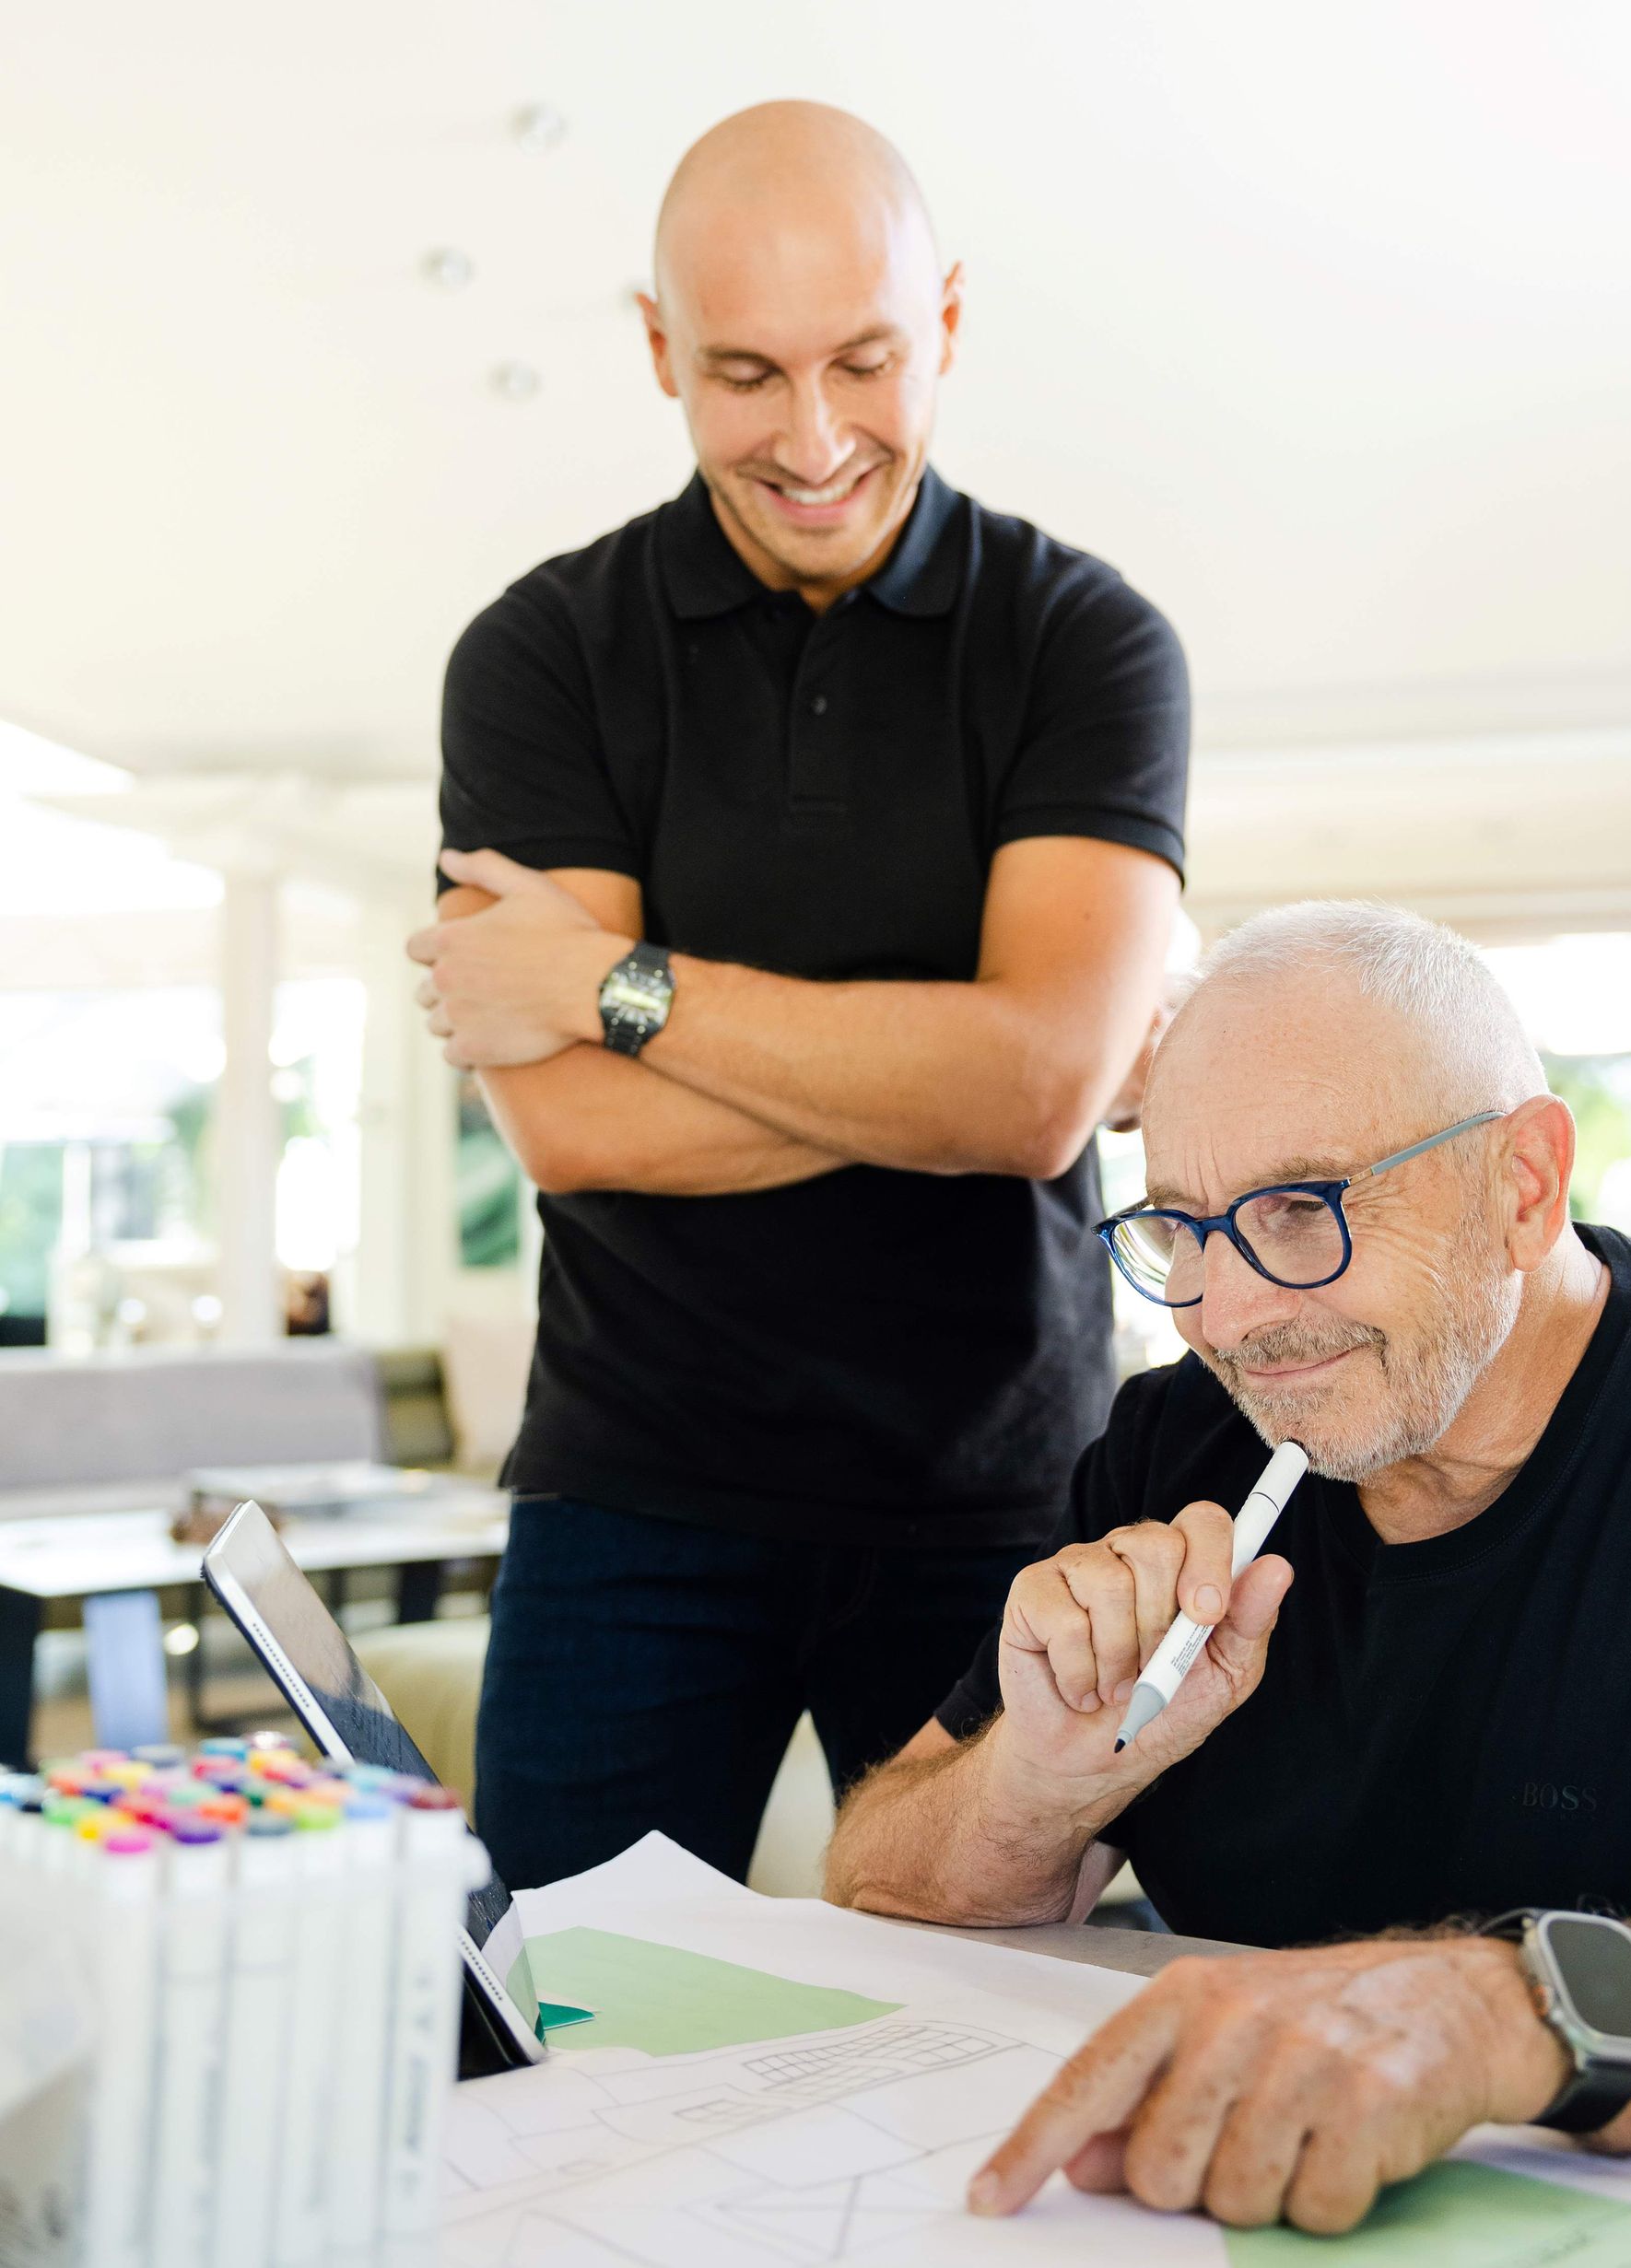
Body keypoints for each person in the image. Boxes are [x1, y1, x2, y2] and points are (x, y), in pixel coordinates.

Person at [408, 101, 1187, 1891]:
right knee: (554, 2035)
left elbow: (1036, 1099)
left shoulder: (1086, 645)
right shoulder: (540, 656)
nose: (816, 438)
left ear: (952, 325)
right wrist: (940, 1052)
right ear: (659, 348)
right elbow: (576, 1128)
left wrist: (616, 980)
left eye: (866, 361)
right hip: (634, 1493)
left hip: (998, 1492)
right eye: (747, 374)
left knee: (991, 2033)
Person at [827, 901, 1631, 2233]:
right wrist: (1040, 1779)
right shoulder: (1172, 1446)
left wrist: (1506, 2008)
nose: (1228, 1318)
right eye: (1183, 1229)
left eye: (1302, 1209)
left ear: (1523, 1186)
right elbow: (868, 1881)